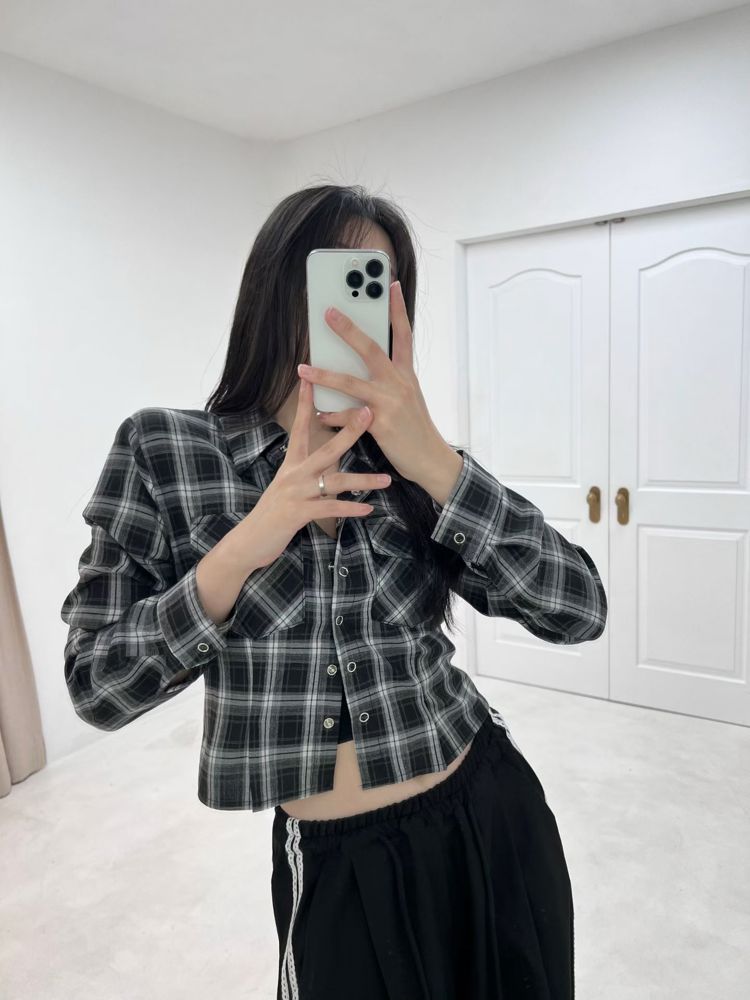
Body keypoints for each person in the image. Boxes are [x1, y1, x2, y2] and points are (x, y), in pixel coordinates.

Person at [61, 184, 607, 999]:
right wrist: (243, 547)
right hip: (336, 861)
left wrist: (438, 465)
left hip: (492, 807)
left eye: (374, 285)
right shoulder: (164, 449)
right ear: (276, 286)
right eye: (335, 276)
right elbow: (96, 685)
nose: (352, 309)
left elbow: (580, 610)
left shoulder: (415, 462)